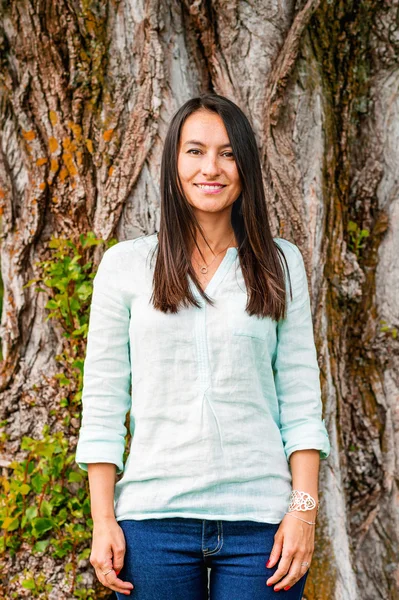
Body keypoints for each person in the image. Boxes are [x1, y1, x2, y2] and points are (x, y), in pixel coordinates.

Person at [75, 93, 331, 599]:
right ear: (173, 164)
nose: (210, 167)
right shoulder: (126, 266)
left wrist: (303, 515)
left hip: (262, 525)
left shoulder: (281, 264)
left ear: (246, 167)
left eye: (228, 152)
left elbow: (301, 402)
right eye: (195, 151)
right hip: (152, 523)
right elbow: (104, 405)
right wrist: (103, 520)